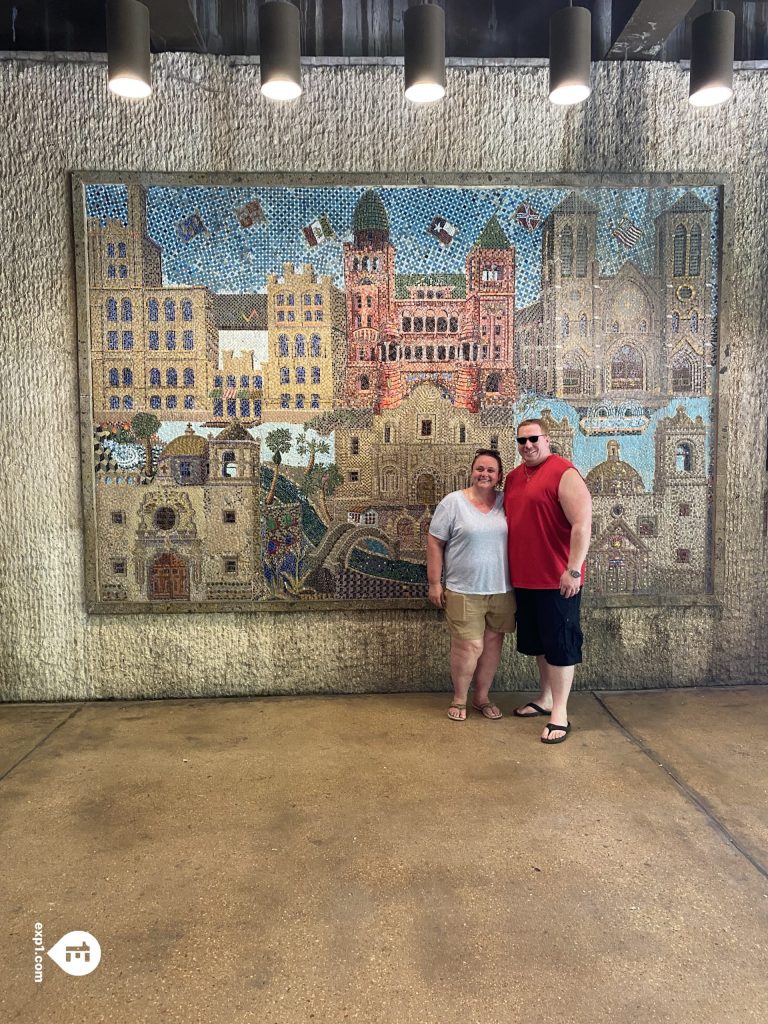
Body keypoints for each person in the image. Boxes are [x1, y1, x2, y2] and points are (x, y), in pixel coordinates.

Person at [503, 419, 592, 744]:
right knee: (540, 645)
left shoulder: (563, 472)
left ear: (547, 439)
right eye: (521, 440)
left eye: (533, 439)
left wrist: (573, 570)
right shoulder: (513, 478)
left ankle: (561, 713)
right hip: (525, 580)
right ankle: (545, 699)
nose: (527, 445)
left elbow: (582, 525)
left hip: (557, 580)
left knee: (560, 647)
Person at [427, 450, 517, 721]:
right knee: (469, 646)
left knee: (492, 645)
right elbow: (435, 542)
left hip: (501, 588)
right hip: (464, 590)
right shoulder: (453, 503)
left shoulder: (507, 502)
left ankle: (482, 697)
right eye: (480, 469)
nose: (484, 474)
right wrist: (434, 583)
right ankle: (459, 697)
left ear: (499, 476)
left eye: (491, 470)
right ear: (471, 471)